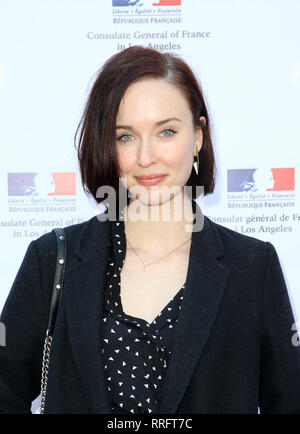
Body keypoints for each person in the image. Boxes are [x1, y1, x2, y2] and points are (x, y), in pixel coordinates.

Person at [1, 45, 300, 414]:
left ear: (198, 137)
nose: (145, 157)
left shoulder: (253, 266)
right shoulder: (52, 260)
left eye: (166, 132)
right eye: (125, 136)